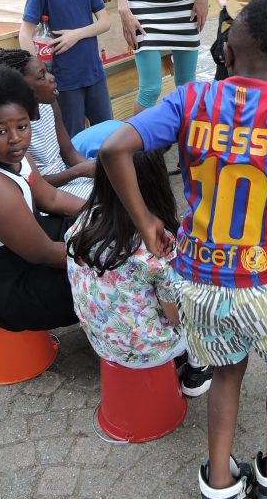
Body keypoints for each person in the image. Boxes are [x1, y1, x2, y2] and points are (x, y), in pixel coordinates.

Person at [99, 0, 267, 499]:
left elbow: (115, 148)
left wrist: (146, 222)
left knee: (226, 374)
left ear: (226, 54)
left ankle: (219, 485)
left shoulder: (189, 99)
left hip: (202, 278)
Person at [0, 66, 84, 338]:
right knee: (116, 275)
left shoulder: (14, 155)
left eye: (22, 126)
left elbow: (51, 197)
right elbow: (42, 253)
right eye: (0, 131)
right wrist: (109, 259)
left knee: (108, 231)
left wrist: (105, 213)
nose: (15, 138)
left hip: (22, 254)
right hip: (6, 290)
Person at [64, 148, 213, 396]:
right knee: (208, 304)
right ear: (159, 184)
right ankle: (197, 369)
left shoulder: (85, 220)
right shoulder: (159, 247)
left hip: (100, 341)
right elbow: (178, 316)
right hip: (146, 352)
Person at [18, 0, 113, 138]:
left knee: (107, 135)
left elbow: (105, 22)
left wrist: (76, 35)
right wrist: (37, 74)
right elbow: (25, 32)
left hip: (94, 73)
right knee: (74, 138)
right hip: (65, 81)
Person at [0, 48, 94, 200]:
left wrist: (95, 171)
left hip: (68, 177)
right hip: (43, 195)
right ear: (21, 88)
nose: (51, 78)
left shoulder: (50, 104)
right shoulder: (15, 131)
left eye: (47, 71)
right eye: (41, 76)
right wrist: (79, 171)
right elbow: (30, 184)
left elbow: (69, 153)